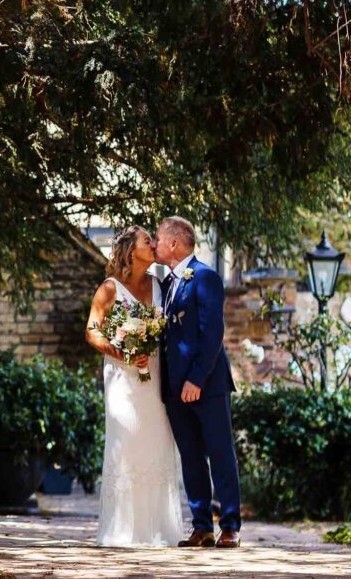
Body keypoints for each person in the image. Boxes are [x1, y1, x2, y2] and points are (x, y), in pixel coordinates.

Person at [86, 226, 184, 547]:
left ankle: (158, 530)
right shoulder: (109, 289)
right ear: (131, 250)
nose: (153, 245)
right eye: (147, 241)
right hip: (122, 380)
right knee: (126, 444)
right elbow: (92, 331)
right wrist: (123, 351)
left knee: (156, 444)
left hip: (155, 378)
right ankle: (122, 531)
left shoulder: (159, 284)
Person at [153, 216, 241, 549]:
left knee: (220, 455)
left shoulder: (205, 277)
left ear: (174, 243)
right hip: (174, 388)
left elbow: (213, 334)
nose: (156, 244)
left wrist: (195, 379)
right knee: (190, 457)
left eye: (159, 239)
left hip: (207, 384)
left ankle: (230, 526)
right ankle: (201, 526)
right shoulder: (165, 286)